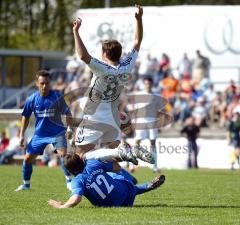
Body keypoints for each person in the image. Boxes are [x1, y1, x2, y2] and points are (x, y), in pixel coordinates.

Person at [69, 5, 152, 165]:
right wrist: (139, 19)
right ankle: (131, 175)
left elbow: (82, 55)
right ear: (120, 53)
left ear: (105, 54)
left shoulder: (101, 68)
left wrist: (76, 32)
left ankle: (79, 186)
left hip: (93, 117)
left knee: (78, 157)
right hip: (112, 117)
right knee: (114, 161)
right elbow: (137, 41)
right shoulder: (126, 66)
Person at [15, 70, 73, 191]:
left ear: (50, 83)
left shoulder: (57, 97)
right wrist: (21, 135)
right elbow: (25, 116)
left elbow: (68, 113)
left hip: (57, 132)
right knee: (27, 159)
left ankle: (69, 181)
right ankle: (26, 184)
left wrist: (69, 128)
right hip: (40, 135)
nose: (45, 86)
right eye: (42, 83)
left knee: (63, 156)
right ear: (37, 83)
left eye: (47, 83)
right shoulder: (32, 99)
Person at [48, 153, 165, 208]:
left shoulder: (77, 181)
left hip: (112, 205)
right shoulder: (93, 163)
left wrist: (60, 206)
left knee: (114, 179)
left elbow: (75, 200)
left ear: (70, 171)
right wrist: (106, 158)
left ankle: (141, 184)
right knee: (116, 176)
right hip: (125, 193)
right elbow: (118, 168)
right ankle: (140, 184)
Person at [133, 77, 169, 172]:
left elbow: (162, 109)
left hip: (152, 121)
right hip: (141, 121)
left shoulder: (156, 96)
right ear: (144, 84)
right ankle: (133, 165)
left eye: (149, 83)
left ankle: (155, 166)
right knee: (137, 142)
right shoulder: (139, 95)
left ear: (152, 84)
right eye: (146, 84)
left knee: (153, 143)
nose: (147, 85)